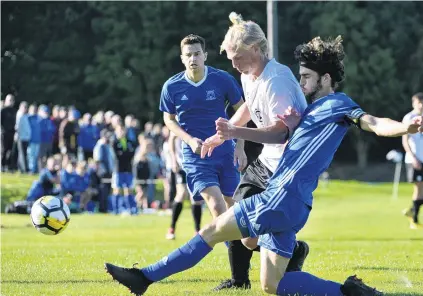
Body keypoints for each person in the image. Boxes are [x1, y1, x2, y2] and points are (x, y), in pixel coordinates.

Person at [104, 35, 423, 295]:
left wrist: (403, 128)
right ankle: (350, 292)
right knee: (272, 285)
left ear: (326, 78)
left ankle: (143, 278)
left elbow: (373, 122)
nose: (301, 83)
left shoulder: (338, 104)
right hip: (295, 203)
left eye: (307, 78)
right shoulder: (309, 111)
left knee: (213, 230)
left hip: (280, 196)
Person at [200, 12, 309, 290]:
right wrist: (219, 136)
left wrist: (235, 133)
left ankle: (292, 251)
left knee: (248, 232)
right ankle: (239, 282)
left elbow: (280, 132)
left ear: (256, 50)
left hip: (286, 168)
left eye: (237, 57)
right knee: (236, 218)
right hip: (265, 162)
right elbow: (249, 106)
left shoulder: (277, 80)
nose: (233, 64)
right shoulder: (250, 74)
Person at [158, 33, 245, 223]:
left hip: (225, 151)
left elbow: (243, 111)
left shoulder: (222, 79)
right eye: (188, 55)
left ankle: (239, 248)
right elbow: (169, 120)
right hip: (196, 156)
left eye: (197, 54)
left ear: (205, 55)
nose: (193, 58)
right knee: (216, 205)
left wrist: (240, 146)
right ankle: (233, 247)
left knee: (234, 206)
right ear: (182, 58)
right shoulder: (171, 86)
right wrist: (189, 140)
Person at [165, 132, 203, 240]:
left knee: (196, 198)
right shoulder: (179, 119)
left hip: (196, 164)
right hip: (182, 165)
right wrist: (173, 160)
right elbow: (172, 139)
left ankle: (197, 231)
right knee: (181, 193)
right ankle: (172, 228)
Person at [402, 92, 423, 229]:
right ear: (414, 103)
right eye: (418, 102)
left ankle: (411, 211)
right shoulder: (409, 118)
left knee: (421, 190)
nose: (421, 105)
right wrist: (413, 158)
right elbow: (405, 140)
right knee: (419, 188)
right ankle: (414, 220)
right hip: (414, 160)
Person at [110, 124, 136, 214]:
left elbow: (131, 154)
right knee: (117, 189)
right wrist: (125, 154)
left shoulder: (129, 141)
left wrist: (124, 153)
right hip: (118, 169)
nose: (121, 132)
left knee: (128, 189)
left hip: (128, 168)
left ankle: (130, 209)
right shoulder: (114, 142)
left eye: (123, 130)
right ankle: (115, 209)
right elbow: (117, 155)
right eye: (119, 130)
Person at [1, 94, 17, 171]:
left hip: (12, 133)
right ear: (6, 101)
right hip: (4, 133)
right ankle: (2, 165)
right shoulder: (3, 110)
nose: (11, 102)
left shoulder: (14, 111)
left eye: (12, 100)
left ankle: (8, 166)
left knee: (10, 151)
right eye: (9, 100)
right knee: (3, 150)